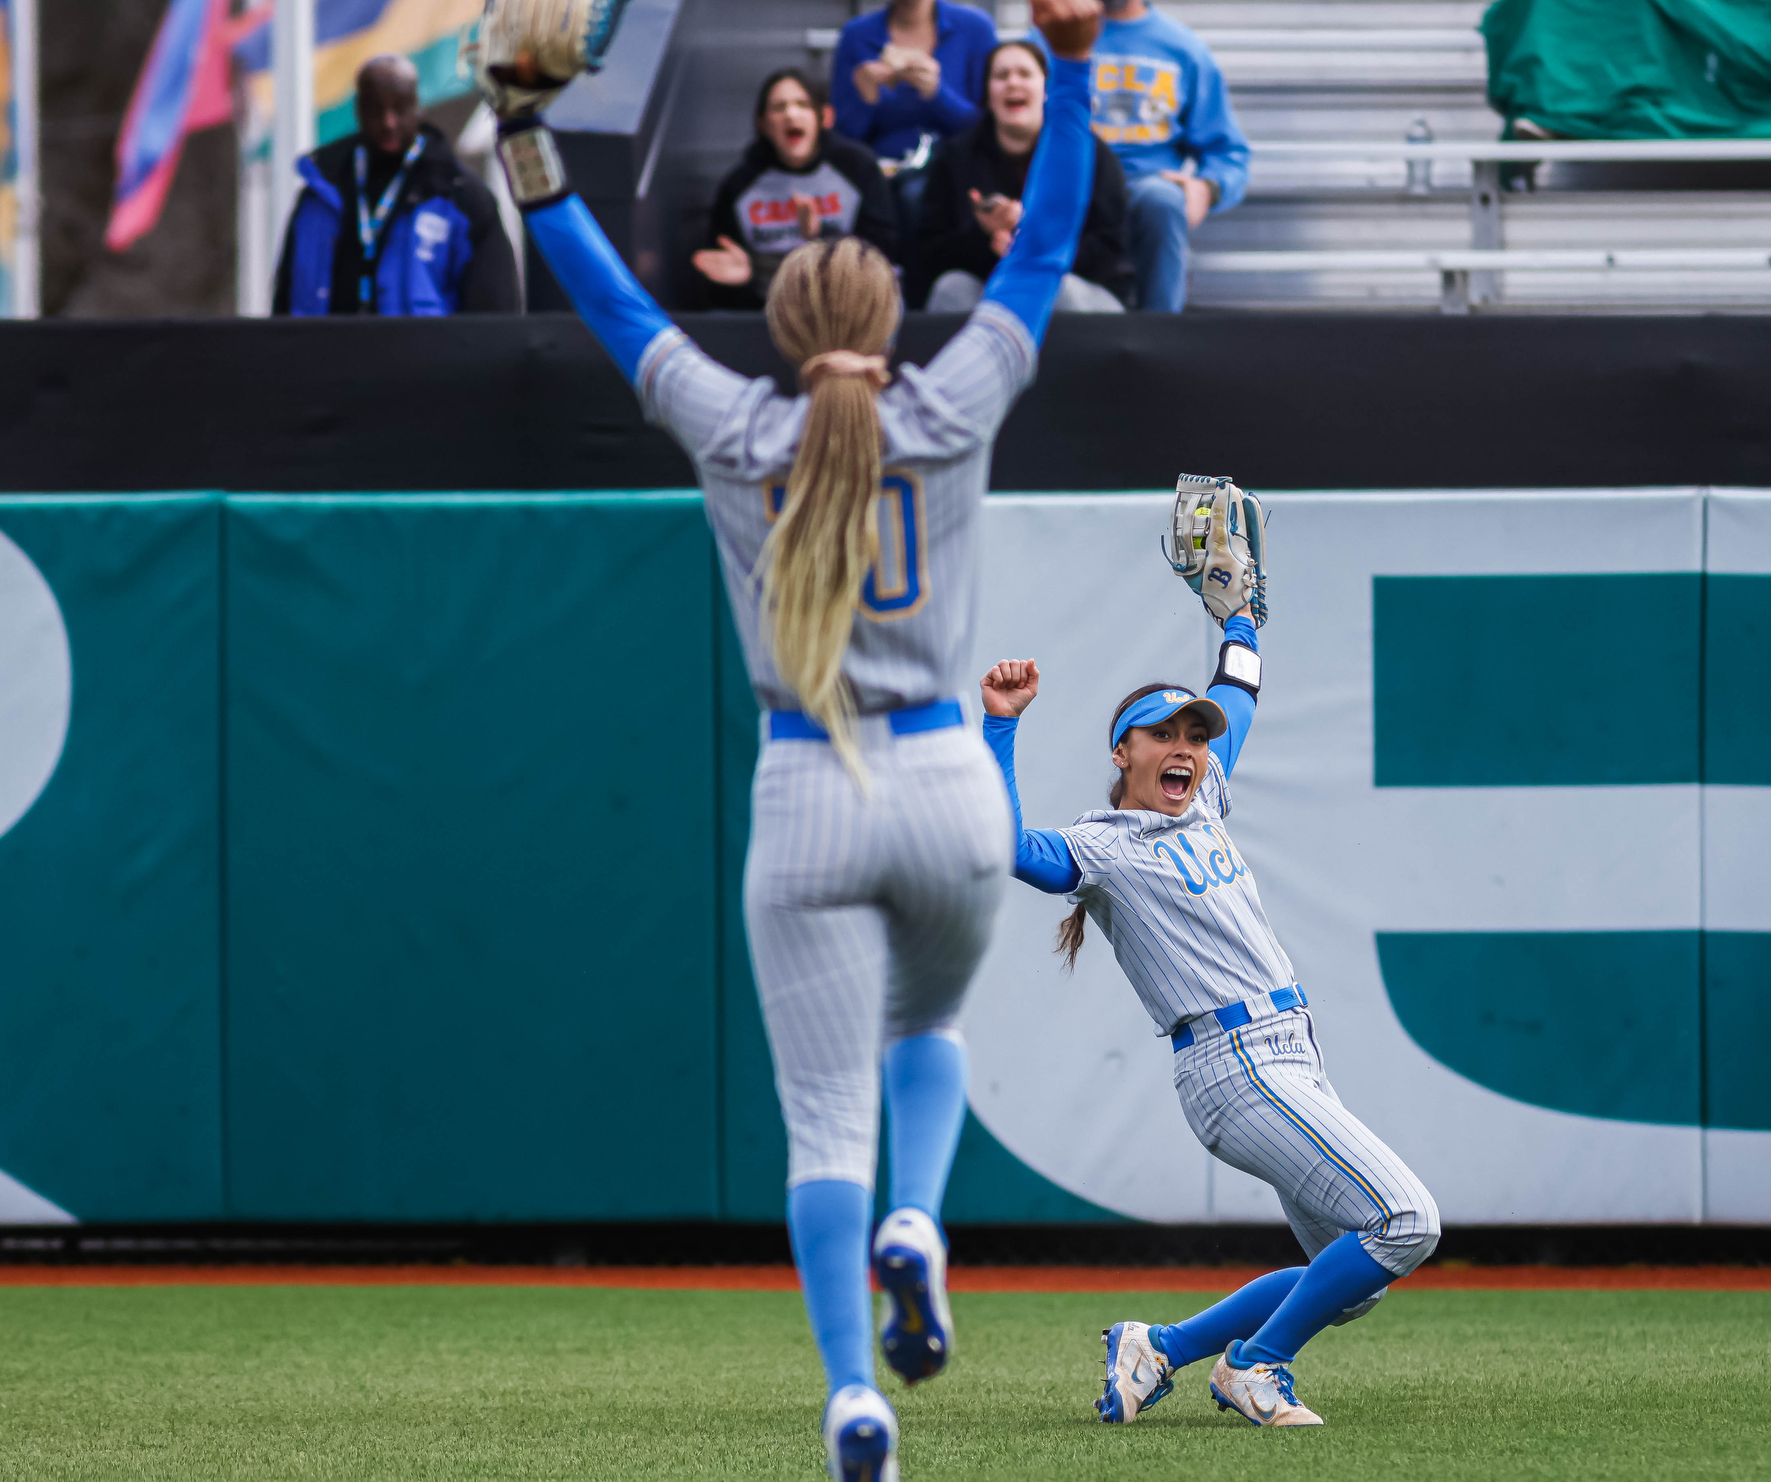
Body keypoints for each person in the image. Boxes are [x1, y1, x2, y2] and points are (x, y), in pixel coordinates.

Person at [478, 0, 1104, 1474]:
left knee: (823, 1117)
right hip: (950, 777)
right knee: (928, 1029)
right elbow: (1042, 249)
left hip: (806, 784)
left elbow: (607, 299)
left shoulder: (732, 425)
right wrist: (1069, 67)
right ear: (885, 319)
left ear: (781, 323)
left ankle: (852, 1396)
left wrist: (520, 137)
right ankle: (918, 1220)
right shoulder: (951, 404)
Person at [977, 482, 1440, 1428]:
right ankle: (1257, 1366)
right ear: (1123, 752)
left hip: (1292, 1055)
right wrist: (1001, 723)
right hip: (1233, 1066)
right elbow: (1004, 845)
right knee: (1405, 1222)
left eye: (1194, 735)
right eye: (1165, 735)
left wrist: (1237, 618)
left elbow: (1237, 691)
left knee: (1352, 1280)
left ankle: (1161, 1349)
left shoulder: (1210, 792)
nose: (1187, 745)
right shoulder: (1103, 844)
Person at [273, 55, 519, 316]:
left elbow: (495, 315)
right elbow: (283, 312)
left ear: (418, 107)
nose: (388, 122)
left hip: (423, 356)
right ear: (358, 110)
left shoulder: (463, 197)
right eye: (375, 109)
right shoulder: (317, 195)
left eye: (400, 108)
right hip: (325, 354)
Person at [910, 39, 1132, 313]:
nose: (1013, 83)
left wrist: (1033, 243)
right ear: (988, 95)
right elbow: (928, 253)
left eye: (1024, 74)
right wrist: (983, 236)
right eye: (1001, 76)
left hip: (1077, 284)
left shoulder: (1089, 153)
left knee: (1060, 292)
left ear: (1046, 90)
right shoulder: (956, 157)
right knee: (952, 289)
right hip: (988, 283)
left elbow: (1111, 248)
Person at [1062, 0, 1250, 311]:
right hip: (1070, 183)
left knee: (1162, 201)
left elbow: (1228, 151)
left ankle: (1160, 337)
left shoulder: (1184, 49)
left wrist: (1208, 188)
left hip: (1144, 186)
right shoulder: (1053, 36)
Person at [696, 71, 896, 311]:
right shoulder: (739, 185)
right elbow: (720, 283)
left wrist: (821, 233)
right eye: (779, 107)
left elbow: (886, 251)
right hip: (768, 312)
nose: (791, 114)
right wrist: (742, 283)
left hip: (848, 306)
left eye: (802, 105)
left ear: (825, 117)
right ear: (762, 124)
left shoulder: (857, 167)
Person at [830, 0, 1001, 163]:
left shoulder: (975, 28)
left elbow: (990, 126)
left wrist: (938, 93)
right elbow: (841, 139)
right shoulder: (855, 36)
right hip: (882, 173)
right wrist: (865, 100)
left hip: (957, 169)